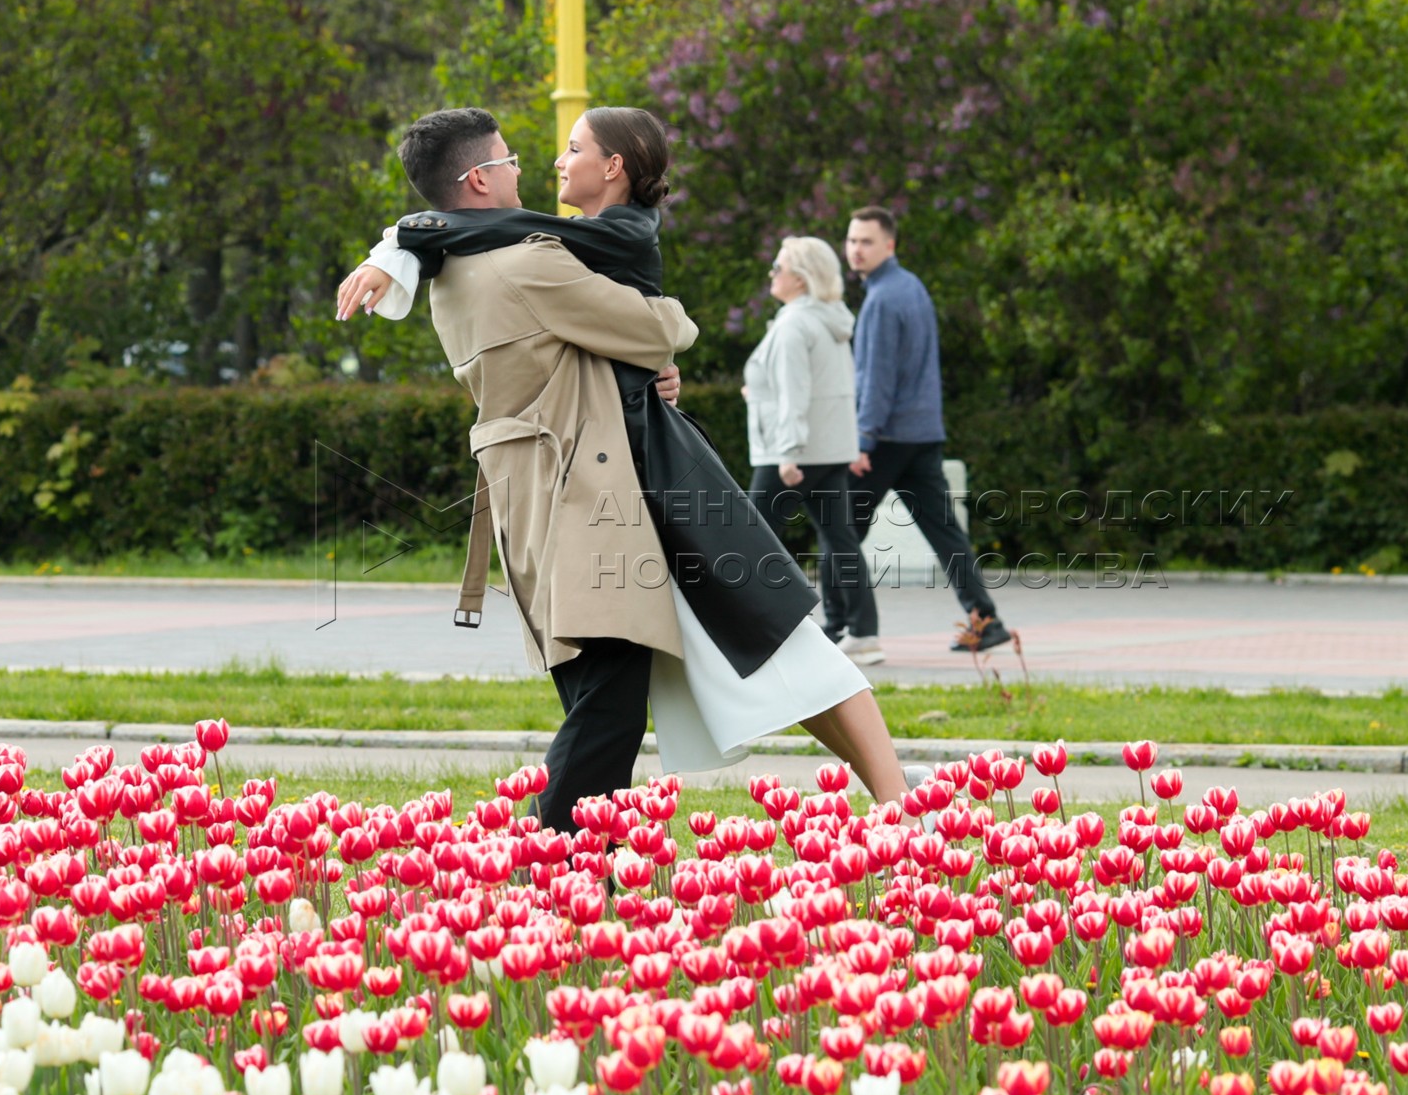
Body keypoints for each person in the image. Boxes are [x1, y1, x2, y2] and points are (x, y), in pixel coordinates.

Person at [335, 108, 909, 826]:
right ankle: (559, 852)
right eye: (511, 158)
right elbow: (660, 326)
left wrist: (395, 250)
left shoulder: (451, 270)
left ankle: (576, 855)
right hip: (607, 496)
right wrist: (656, 348)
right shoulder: (530, 262)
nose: (536, 164)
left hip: (553, 501)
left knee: (633, 681)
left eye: (570, 147)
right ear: (478, 178)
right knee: (659, 677)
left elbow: (568, 352)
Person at [842, 205, 1013, 655]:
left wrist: (863, 440)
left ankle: (842, 626)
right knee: (945, 533)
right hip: (922, 434)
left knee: (839, 531)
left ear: (889, 244)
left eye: (866, 242)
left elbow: (877, 379)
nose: (856, 250)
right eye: (852, 240)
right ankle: (986, 620)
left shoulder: (882, 300)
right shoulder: (912, 287)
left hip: (886, 439)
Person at [742, 236, 881, 665]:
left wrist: (788, 453)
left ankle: (760, 629)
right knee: (840, 539)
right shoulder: (830, 320)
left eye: (779, 267)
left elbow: (795, 393)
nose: (772, 274)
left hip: (792, 453)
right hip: (830, 448)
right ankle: (864, 632)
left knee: (749, 539)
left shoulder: (793, 324)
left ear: (800, 279)